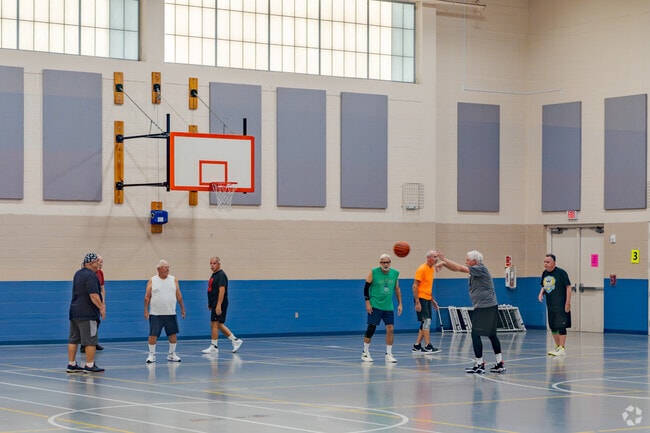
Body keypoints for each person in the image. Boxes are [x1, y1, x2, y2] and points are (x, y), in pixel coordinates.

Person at [438, 250, 505, 374]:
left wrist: (444, 259)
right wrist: (444, 264)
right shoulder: (476, 270)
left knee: (475, 334)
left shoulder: (479, 268)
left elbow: (459, 268)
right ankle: (499, 363)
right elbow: (457, 268)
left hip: (485, 307)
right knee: (491, 335)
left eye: (467, 259)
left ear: (474, 261)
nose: (466, 261)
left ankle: (480, 364)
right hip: (488, 306)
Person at [67, 252, 106, 373]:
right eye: (97, 263)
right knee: (90, 340)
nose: (99, 265)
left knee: (73, 339)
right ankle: (89, 365)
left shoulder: (77, 274)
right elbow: (93, 295)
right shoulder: (92, 276)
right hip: (87, 313)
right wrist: (101, 307)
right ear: (91, 263)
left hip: (74, 312)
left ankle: (72, 364)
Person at [362, 254, 403, 363]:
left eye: (387, 262)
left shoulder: (395, 273)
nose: (385, 264)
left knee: (390, 328)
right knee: (372, 327)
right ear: (380, 263)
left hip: (388, 306)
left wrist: (400, 304)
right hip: (375, 304)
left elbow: (397, 289)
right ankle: (365, 352)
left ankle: (388, 354)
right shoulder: (374, 272)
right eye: (383, 262)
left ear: (390, 262)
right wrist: (367, 302)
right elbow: (366, 288)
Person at [144, 259, 186, 363]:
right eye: (165, 267)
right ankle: (151, 355)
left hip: (170, 313)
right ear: (159, 269)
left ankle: (172, 354)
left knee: (172, 334)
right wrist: (146, 310)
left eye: (168, 267)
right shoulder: (152, 280)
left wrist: (182, 308)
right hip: (156, 314)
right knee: (153, 334)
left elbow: (179, 295)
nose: (168, 269)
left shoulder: (173, 279)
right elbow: (147, 297)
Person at [202, 257, 244, 354]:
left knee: (215, 324)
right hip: (214, 303)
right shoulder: (214, 275)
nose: (212, 265)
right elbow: (211, 290)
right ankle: (235, 340)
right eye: (211, 263)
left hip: (219, 303)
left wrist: (218, 305)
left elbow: (222, 290)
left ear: (219, 264)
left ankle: (214, 346)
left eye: (214, 263)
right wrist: (210, 303)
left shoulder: (221, 275)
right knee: (216, 324)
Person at [538, 253, 572, 356]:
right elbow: (544, 285)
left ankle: (562, 347)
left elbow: (568, 287)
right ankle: (557, 346)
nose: (546, 264)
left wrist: (567, 302)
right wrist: (540, 293)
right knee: (553, 326)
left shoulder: (561, 273)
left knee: (561, 326)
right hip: (550, 304)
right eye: (544, 262)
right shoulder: (545, 273)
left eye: (548, 262)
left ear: (554, 263)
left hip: (561, 304)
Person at [412, 250, 442, 354]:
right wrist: (417, 302)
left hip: (427, 298)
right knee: (427, 321)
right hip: (420, 298)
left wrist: (432, 300)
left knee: (424, 322)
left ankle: (417, 346)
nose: (436, 259)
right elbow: (415, 286)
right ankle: (428, 345)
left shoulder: (432, 269)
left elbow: (428, 287)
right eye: (434, 257)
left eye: (436, 257)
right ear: (428, 258)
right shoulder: (422, 269)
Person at [81, 255, 104, 353]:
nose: (100, 263)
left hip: (97, 302)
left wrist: (103, 303)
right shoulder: (88, 274)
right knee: (87, 325)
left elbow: (102, 289)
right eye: (99, 261)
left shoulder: (100, 273)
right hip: (87, 305)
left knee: (96, 322)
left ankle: (93, 342)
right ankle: (84, 344)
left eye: (102, 262)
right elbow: (93, 294)